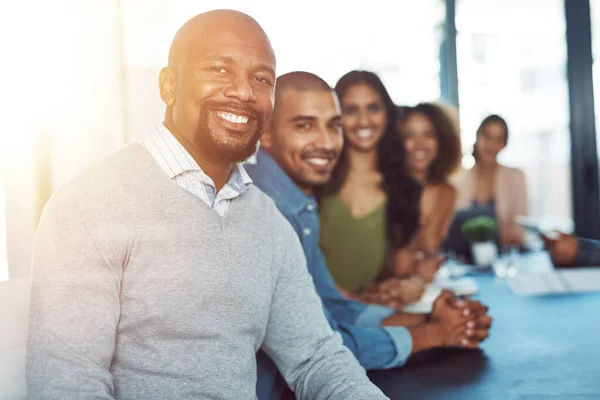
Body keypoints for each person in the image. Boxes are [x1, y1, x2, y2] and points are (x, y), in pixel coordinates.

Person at [26, 11, 389, 400]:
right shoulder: (89, 203)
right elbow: (67, 385)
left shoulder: (267, 220)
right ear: (169, 86)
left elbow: (317, 358)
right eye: (219, 69)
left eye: (261, 79)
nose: (244, 92)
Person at [247, 71, 493, 399]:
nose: (324, 140)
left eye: (332, 125)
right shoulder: (269, 204)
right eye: (305, 125)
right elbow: (321, 345)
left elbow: (328, 303)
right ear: (266, 132)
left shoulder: (299, 199)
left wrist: (427, 318)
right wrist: (433, 333)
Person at [318, 70, 435, 301]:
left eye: (373, 108)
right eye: (351, 110)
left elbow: (402, 271)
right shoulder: (316, 180)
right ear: (336, 116)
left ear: (388, 114)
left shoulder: (405, 190)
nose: (364, 121)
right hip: (309, 315)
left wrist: (412, 284)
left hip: (364, 319)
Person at [396, 103, 462, 260]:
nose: (420, 144)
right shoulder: (385, 188)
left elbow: (431, 246)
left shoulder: (447, 192)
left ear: (442, 140)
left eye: (429, 134)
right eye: (409, 135)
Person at [455, 114, 528, 248]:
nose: (491, 145)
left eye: (498, 139)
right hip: (465, 259)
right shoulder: (459, 179)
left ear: (504, 145)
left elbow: (520, 226)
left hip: (505, 256)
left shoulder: (515, 177)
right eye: (487, 137)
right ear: (477, 137)